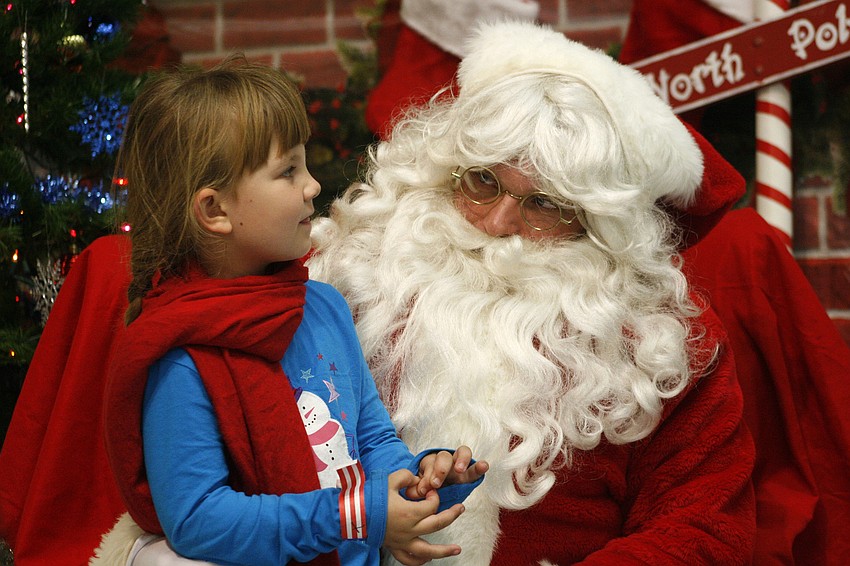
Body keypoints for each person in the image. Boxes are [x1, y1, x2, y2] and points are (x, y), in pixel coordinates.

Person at [306, 20, 756, 565]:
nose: (496, 223)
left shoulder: (660, 344)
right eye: (481, 181)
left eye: (543, 204)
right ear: (444, 170)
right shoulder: (354, 274)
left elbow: (702, 527)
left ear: (600, 225)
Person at [92, 58, 487, 566]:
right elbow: (195, 522)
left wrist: (416, 482)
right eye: (288, 171)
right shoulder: (182, 356)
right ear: (215, 211)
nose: (313, 186)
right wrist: (354, 516)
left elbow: (370, 438)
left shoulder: (322, 306)